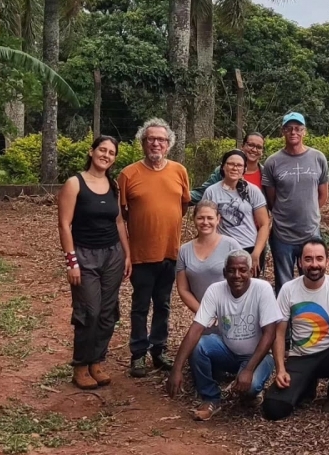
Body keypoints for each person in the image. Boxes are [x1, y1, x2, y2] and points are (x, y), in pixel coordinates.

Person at [167, 250, 282, 421]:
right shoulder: (215, 291)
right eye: (231, 270)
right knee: (198, 345)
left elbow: (270, 333)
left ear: (251, 272)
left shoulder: (262, 289)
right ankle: (211, 397)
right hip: (227, 350)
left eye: (242, 270)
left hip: (258, 356)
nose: (237, 275)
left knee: (249, 388)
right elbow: (196, 329)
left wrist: (249, 370)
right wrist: (176, 369)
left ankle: (252, 392)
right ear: (224, 272)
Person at [57, 135, 132, 390]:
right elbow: (65, 225)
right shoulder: (74, 183)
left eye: (111, 153)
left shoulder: (113, 185)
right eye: (102, 150)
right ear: (91, 152)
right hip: (85, 254)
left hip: (112, 254)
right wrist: (71, 261)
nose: (106, 155)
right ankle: (80, 364)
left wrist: (127, 254)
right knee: (90, 311)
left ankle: (96, 361)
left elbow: (119, 222)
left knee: (108, 312)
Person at [119, 118, 191, 378]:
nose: (156, 143)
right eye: (151, 139)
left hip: (170, 252)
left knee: (163, 304)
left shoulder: (179, 171)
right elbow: (123, 214)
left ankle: (158, 351)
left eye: (161, 139)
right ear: (143, 143)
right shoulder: (128, 174)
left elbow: (183, 207)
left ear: (169, 144)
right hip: (140, 255)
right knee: (140, 306)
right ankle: (138, 354)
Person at [262, 238, 329, 420]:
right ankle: (307, 385)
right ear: (300, 262)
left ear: (327, 261)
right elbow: (279, 333)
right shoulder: (288, 289)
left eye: (319, 258)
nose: (314, 264)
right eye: (308, 259)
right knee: (274, 409)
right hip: (301, 356)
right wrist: (280, 369)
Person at [262, 113, 329, 292]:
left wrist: (309, 211)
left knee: (311, 280)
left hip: (310, 231)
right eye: (289, 128)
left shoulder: (318, 158)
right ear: (283, 131)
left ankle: (308, 318)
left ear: (304, 131)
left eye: (298, 128)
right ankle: (286, 319)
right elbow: (271, 199)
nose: (293, 132)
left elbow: (322, 195)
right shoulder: (273, 162)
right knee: (284, 284)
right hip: (282, 233)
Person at [202, 150, 271, 275]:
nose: (235, 168)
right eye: (230, 164)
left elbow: (264, 224)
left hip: (249, 247)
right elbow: (205, 222)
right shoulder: (211, 192)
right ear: (223, 166)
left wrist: (256, 253)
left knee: (249, 289)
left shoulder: (252, 191)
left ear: (244, 168)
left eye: (239, 165)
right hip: (222, 248)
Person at [176, 200, 240, 313]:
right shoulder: (184, 251)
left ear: (218, 219)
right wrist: (204, 313)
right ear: (194, 219)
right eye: (200, 218)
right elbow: (183, 289)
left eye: (210, 218)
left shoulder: (231, 246)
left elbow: (243, 281)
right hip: (202, 317)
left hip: (231, 312)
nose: (205, 222)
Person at [190, 132, 266, 203]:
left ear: (262, 151)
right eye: (250, 145)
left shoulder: (266, 174)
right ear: (242, 146)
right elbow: (202, 193)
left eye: (259, 147)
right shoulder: (225, 170)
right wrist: (181, 195)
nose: (254, 150)